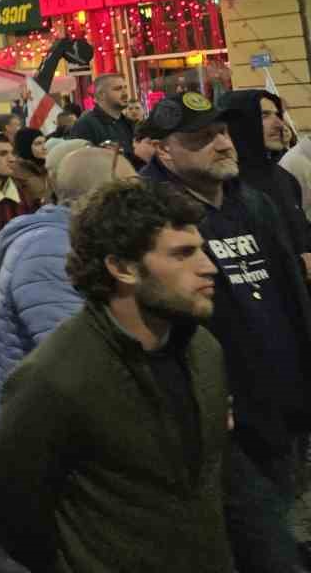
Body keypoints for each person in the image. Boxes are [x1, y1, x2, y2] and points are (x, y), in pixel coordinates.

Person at [0, 180, 231, 572]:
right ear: (121, 267)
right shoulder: (53, 378)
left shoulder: (203, 349)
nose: (208, 266)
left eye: (201, 249)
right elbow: (15, 514)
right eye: (183, 254)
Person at [141, 91, 311, 573]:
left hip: (283, 408)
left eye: (221, 131)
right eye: (200, 137)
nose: (220, 143)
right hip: (219, 424)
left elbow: (289, 296)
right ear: (163, 149)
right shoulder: (149, 214)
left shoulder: (253, 200)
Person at [0, 146, 133, 419]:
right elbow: (76, 357)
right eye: (130, 188)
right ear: (99, 194)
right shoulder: (50, 249)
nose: (141, 199)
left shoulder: (81, 240)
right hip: (46, 426)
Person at [220, 88, 311, 271]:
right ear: (239, 122)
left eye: (278, 114)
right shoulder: (226, 184)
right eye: (264, 115)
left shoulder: (284, 177)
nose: (279, 124)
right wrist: (298, 267)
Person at [71, 72, 136, 160]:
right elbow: (81, 162)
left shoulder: (128, 123)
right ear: (101, 95)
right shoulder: (85, 125)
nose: (125, 93)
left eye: (125, 88)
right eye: (118, 89)